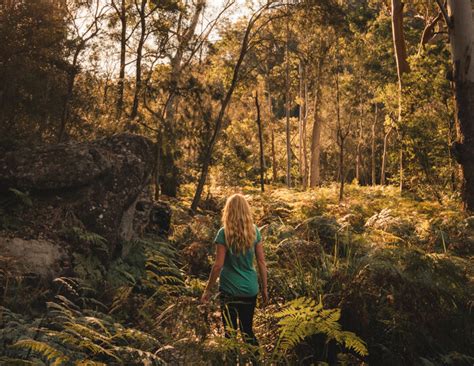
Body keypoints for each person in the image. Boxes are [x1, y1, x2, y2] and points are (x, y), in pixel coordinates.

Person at [201, 193, 268, 350]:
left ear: (228, 211)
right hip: (250, 290)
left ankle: (232, 360)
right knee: (247, 332)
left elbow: (218, 265)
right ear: (246, 210)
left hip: (229, 290)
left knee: (229, 334)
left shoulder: (224, 233)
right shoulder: (254, 231)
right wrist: (264, 289)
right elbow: (261, 262)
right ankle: (256, 361)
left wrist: (207, 290)